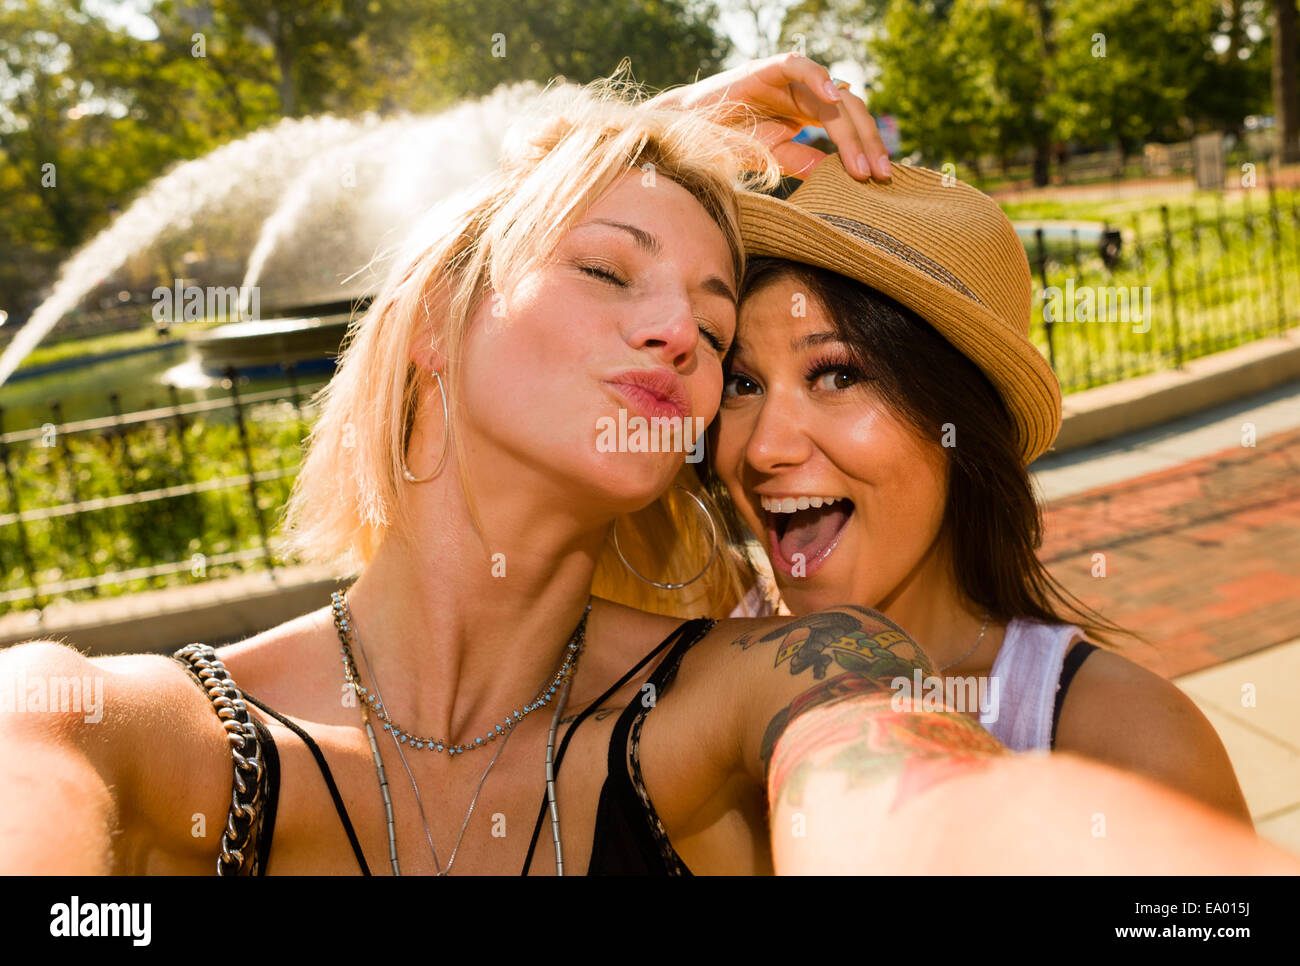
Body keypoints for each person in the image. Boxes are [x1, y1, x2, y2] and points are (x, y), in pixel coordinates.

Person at [1, 60, 1291, 876]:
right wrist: (650, 149)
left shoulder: (787, 686)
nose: (693, 349)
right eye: (738, 373)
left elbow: (901, 792)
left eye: (832, 370)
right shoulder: (111, 729)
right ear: (437, 317)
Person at [708, 151, 1251, 821]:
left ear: (957, 425)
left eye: (838, 375)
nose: (764, 446)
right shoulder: (688, 611)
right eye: (743, 383)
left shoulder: (1130, 745)